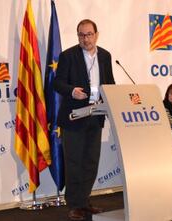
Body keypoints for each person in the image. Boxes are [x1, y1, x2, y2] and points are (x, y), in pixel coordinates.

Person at [53, 19, 115, 221]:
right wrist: (72, 91)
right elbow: (58, 83)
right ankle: (74, 205)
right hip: (74, 118)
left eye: (89, 34)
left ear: (96, 34)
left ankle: (84, 201)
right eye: (81, 35)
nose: (85, 38)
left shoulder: (105, 56)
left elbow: (110, 83)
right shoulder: (68, 56)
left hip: (95, 116)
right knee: (74, 162)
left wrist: (114, 98)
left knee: (90, 161)